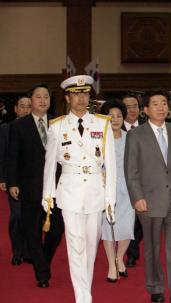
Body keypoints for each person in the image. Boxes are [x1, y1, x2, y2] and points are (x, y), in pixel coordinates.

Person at [42, 75, 116, 302]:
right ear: (67, 98)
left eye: (85, 94)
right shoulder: (57, 126)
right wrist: (48, 195)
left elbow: (110, 164)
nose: (81, 98)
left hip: (95, 190)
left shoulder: (102, 123)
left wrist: (110, 198)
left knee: (91, 245)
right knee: (75, 244)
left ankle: (85, 290)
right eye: (76, 94)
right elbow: (49, 164)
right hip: (70, 190)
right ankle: (83, 297)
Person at [124, 90, 171, 303]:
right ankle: (156, 288)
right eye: (155, 104)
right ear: (145, 110)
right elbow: (131, 170)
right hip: (149, 200)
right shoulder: (135, 135)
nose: (161, 108)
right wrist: (137, 197)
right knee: (152, 247)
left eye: (164, 103)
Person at [7, 85, 65, 288]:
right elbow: (12, 156)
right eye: (38, 97)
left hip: (56, 187)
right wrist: (12, 182)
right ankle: (42, 273)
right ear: (30, 100)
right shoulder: (19, 126)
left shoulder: (59, 124)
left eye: (46, 97)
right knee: (32, 231)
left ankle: (43, 260)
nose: (42, 100)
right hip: (29, 187)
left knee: (56, 230)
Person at [100, 100, 135, 282]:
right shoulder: (99, 139)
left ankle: (119, 257)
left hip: (128, 189)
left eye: (119, 116)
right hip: (107, 190)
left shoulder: (131, 137)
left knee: (126, 227)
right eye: (111, 116)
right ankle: (111, 266)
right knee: (108, 228)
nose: (115, 119)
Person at [0, 95, 32, 265]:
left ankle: (29, 251)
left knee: (32, 218)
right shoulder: (6, 129)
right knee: (17, 216)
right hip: (14, 181)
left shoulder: (38, 127)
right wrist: (2, 178)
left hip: (34, 181)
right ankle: (17, 250)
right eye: (22, 106)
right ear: (15, 109)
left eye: (28, 106)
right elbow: (2, 155)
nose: (25, 109)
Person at [121, 92, 146, 268]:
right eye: (128, 107)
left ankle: (134, 244)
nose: (132, 110)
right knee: (127, 218)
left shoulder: (147, 127)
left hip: (145, 181)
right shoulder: (114, 128)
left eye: (135, 106)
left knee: (142, 220)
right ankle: (131, 253)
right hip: (122, 182)